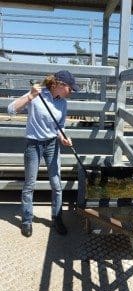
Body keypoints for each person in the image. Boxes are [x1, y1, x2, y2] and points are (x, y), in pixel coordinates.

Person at [7, 70, 79, 237]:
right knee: (30, 184)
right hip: (34, 145)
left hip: (52, 145)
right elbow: (11, 109)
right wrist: (30, 96)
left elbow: (59, 127)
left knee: (56, 184)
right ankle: (26, 220)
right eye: (70, 88)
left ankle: (57, 218)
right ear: (60, 85)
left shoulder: (63, 103)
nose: (72, 92)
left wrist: (64, 138)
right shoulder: (37, 93)